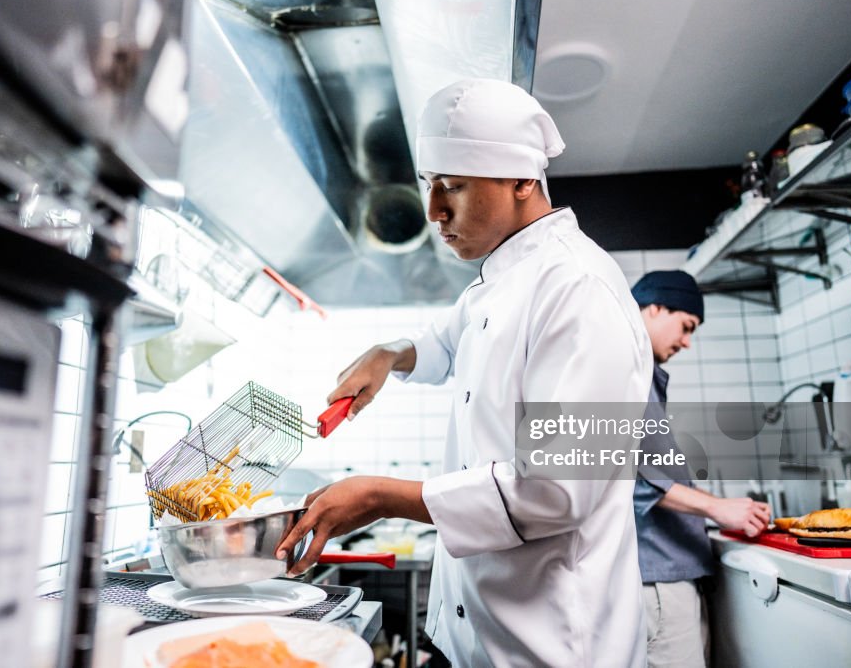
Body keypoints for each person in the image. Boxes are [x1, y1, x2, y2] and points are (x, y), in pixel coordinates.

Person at [275, 78, 652, 667]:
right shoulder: (503, 276)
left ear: (524, 180)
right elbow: (449, 343)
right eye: (429, 186)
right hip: (483, 638)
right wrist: (391, 352)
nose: (433, 212)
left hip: (555, 647)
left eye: (453, 187)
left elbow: (556, 489)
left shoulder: (580, 289)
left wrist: (381, 496)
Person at [630, 270, 771, 668]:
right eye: (686, 326)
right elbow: (626, 477)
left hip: (667, 576)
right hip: (658, 580)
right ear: (655, 308)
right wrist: (716, 509)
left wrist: (721, 504)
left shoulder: (642, 373)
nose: (688, 342)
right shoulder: (627, 370)